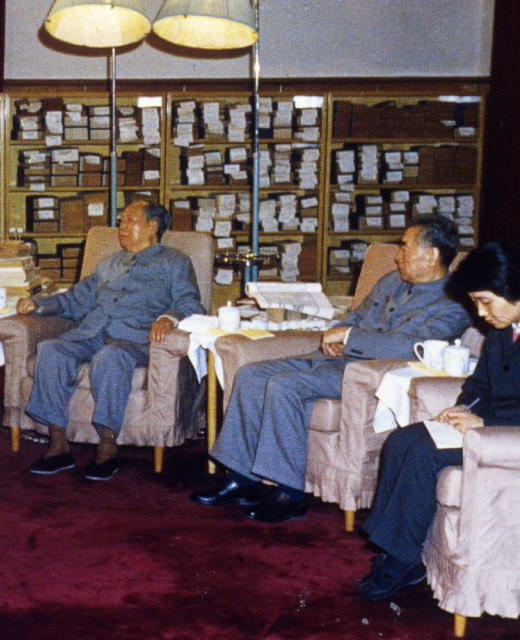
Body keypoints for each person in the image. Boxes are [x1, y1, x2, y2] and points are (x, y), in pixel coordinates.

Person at [192, 216, 472, 522]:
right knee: (251, 373)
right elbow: (355, 316)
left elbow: (412, 345)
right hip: (336, 359)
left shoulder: (456, 299)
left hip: (369, 372)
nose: (397, 255)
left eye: (405, 248)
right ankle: (242, 477)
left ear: (431, 255)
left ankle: (289, 493)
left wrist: (350, 338)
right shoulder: (392, 281)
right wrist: (336, 334)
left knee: (285, 385)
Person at [357, 241, 520, 599]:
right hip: (482, 427)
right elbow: (481, 383)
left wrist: (484, 426)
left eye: (485, 301)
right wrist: (464, 407)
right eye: (475, 302)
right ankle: (393, 549)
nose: (479, 313)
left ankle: (401, 559)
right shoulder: (500, 331)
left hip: (505, 438)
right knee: (402, 440)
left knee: (421, 454)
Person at [18, 201, 203, 481]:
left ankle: (107, 445)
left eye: (130, 220)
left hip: (134, 339)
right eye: (121, 221)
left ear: (153, 227)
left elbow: (190, 302)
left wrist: (170, 318)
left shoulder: (175, 262)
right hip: (90, 334)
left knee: (111, 357)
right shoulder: (108, 264)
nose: (123, 227)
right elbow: (75, 300)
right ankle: (58, 444)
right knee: (51, 349)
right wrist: (38, 304)